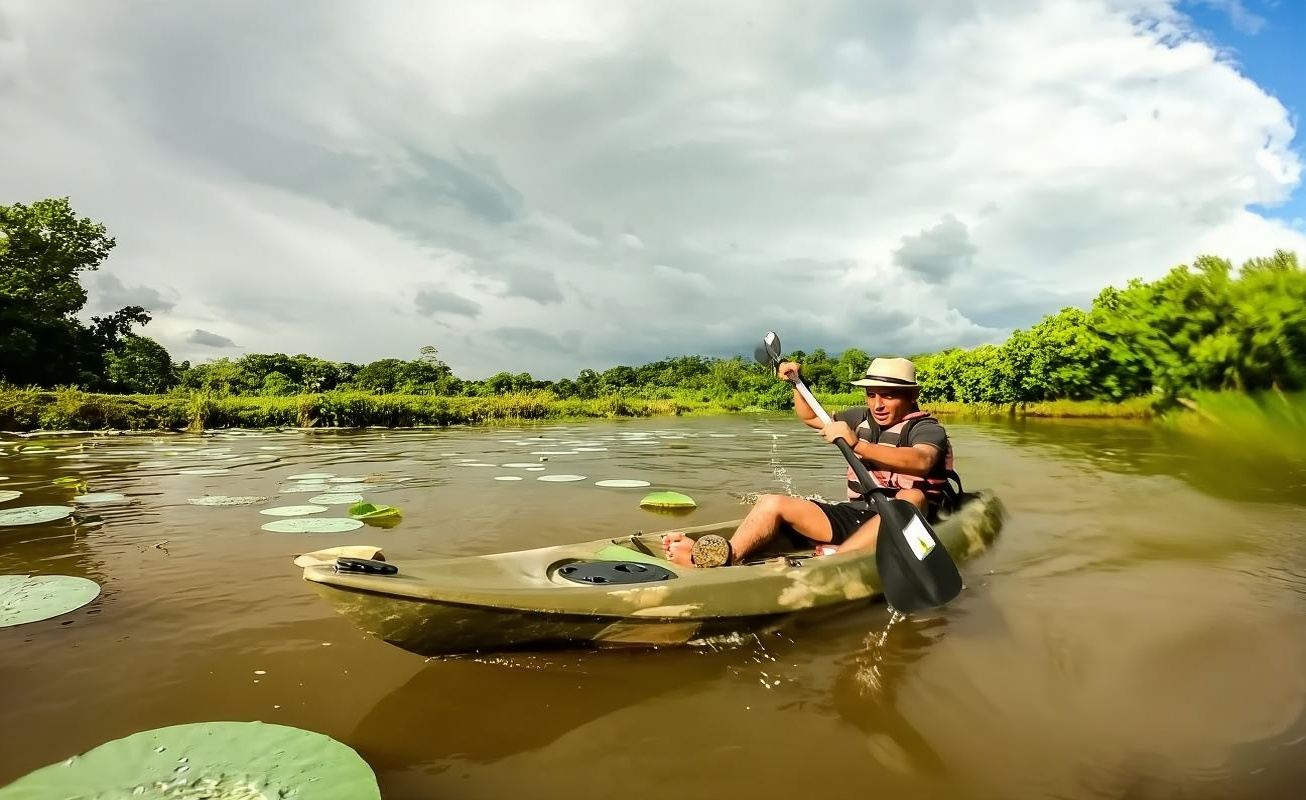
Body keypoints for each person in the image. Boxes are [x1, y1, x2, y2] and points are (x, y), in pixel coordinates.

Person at [662, 356, 958, 568]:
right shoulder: (860, 417)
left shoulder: (927, 428)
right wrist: (797, 384)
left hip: (910, 524)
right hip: (858, 514)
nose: (877, 404)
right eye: (872, 395)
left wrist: (859, 445)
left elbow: (921, 460)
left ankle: (837, 562)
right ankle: (724, 557)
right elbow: (809, 417)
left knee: (911, 496)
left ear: (912, 395)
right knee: (771, 502)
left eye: (889, 396)